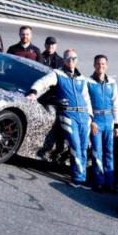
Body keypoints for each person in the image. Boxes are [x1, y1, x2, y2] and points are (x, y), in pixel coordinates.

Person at [27, 49, 93, 189]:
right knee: (75, 145)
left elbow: (87, 99)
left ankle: (82, 177)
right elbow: (42, 82)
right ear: (64, 60)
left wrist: (90, 116)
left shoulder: (82, 78)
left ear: (77, 60)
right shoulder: (57, 73)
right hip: (68, 115)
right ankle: (77, 178)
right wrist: (33, 92)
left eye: (74, 58)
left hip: (84, 116)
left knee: (83, 147)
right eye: (68, 58)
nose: (71, 61)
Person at [87, 55, 118, 192]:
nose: (100, 66)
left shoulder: (112, 82)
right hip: (96, 120)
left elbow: (116, 104)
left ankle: (110, 182)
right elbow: (86, 103)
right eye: (98, 63)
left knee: (109, 152)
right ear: (94, 65)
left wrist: (117, 125)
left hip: (109, 120)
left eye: (103, 64)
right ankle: (99, 181)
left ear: (106, 65)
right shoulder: (88, 82)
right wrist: (91, 121)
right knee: (97, 152)